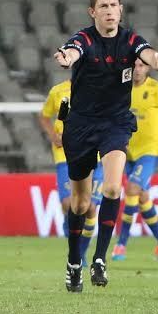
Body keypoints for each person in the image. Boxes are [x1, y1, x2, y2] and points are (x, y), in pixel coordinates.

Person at [54, 0, 158, 292]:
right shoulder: (83, 39)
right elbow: (73, 50)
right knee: (79, 204)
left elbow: (145, 52)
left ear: (120, 9)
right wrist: (67, 57)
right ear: (93, 12)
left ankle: (100, 260)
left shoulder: (130, 40)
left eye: (114, 5)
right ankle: (73, 262)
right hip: (80, 126)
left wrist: (155, 60)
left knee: (114, 186)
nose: (109, 11)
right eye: (103, 6)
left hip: (115, 123)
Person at [112, 58, 158, 261]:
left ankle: (121, 244)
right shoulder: (122, 89)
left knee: (132, 189)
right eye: (134, 66)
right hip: (128, 150)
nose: (137, 69)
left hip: (151, 150)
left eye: (142, 66)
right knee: (142, 197)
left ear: (148, 68)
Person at [38, 79, 103, 264]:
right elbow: (44, 116)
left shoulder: (97, 87)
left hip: (94, 154)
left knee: (90, 208)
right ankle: (74, 248)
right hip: (64, 155)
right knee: (68, 204)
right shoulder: (57, 91)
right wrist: (52, 135)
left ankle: (80, 253)